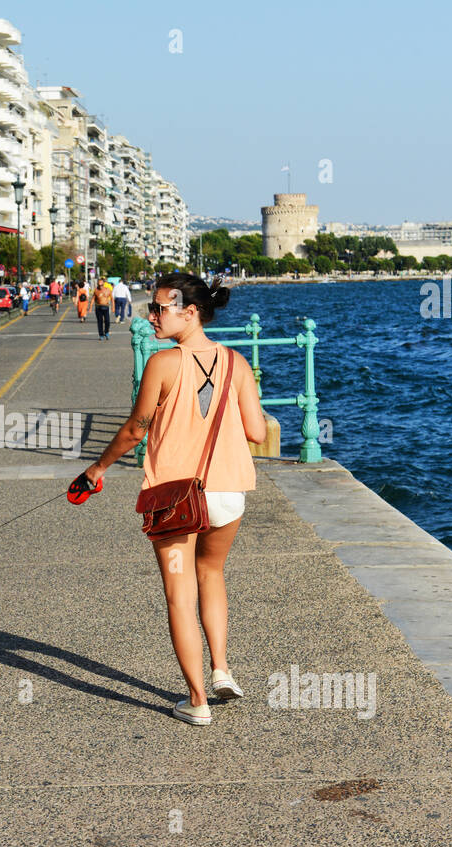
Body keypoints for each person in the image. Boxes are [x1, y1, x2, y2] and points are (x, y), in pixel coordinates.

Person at [82, 274, 267, 726]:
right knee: (213, 573)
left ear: (190, 311)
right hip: (227, 492)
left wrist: (96, 469)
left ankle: (197, 700)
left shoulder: (164, 364)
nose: (151, 316)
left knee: (179, 596)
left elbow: (134, 430)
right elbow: (258, 432)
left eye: (160, 308)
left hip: (176, 499)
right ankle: (221, 668)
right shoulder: (237, 363)